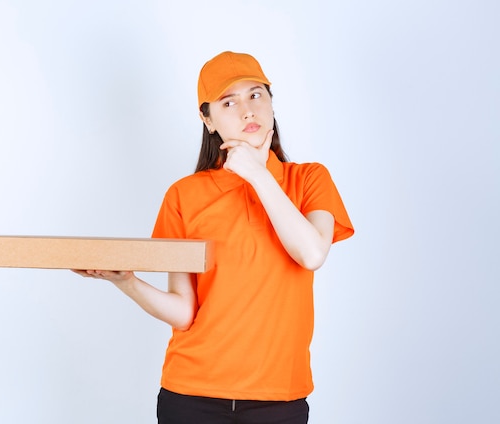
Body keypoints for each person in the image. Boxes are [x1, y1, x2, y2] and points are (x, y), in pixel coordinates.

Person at [73, 51, 354, 424]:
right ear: (207, 119)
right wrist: (127, 282)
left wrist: (257, 174)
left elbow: (312, 253)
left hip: (279, 399)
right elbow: (184, 312)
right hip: (192, 396)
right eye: (228, 101)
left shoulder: (309, 179)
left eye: (256, 95)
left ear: (271, 102)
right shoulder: (184, 196)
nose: (247, 110)